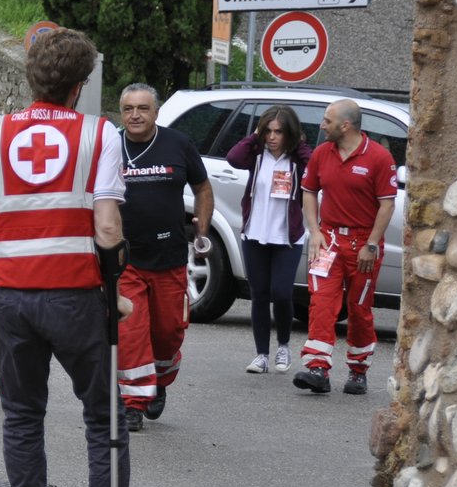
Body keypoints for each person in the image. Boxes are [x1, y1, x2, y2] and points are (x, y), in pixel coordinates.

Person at [0, 28, 147, 487]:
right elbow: (108, 227)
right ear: (81, 84)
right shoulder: (98, 134)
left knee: (21, 416)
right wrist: (114, 283)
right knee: (103, 417)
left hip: (13, 296)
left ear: (31, 76)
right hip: (78, 295)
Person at [115, 84, 213, 432]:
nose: (135, 115)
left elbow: (203, 187)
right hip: (125, 260)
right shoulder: (111, 146)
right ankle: (132, 402)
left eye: (143, 108)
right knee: (131, 330)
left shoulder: (178, 144)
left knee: (168, 332)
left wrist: (202, 227)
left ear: (156, 112)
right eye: (128, 109)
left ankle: (159, 380)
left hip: (170, 257)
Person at [294, 99, 398, 396]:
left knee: (358, 308)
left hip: (362, 244)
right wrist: (314, 232)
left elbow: (387, 205)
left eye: (327, 120)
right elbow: (309, 193)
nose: (322, 125)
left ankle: (358, 369)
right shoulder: (320, 154)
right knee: (321, 302)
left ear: (346, 125)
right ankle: (318, 368)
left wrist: (371, 244)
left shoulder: (378, 157)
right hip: (329, 241)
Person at [227, 106, 314, 374]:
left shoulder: (297, 161)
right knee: (260, 294)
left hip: (286, 237)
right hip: (254, 234)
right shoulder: (256, 155)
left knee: (282, 292)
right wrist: (254, 137)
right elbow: (233, 158)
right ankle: (262, 355)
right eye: (268, 131)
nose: (272, 137)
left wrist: (298, 144)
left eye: (279, 132)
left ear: (290, 134)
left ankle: (284, 346)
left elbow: (314, 165)